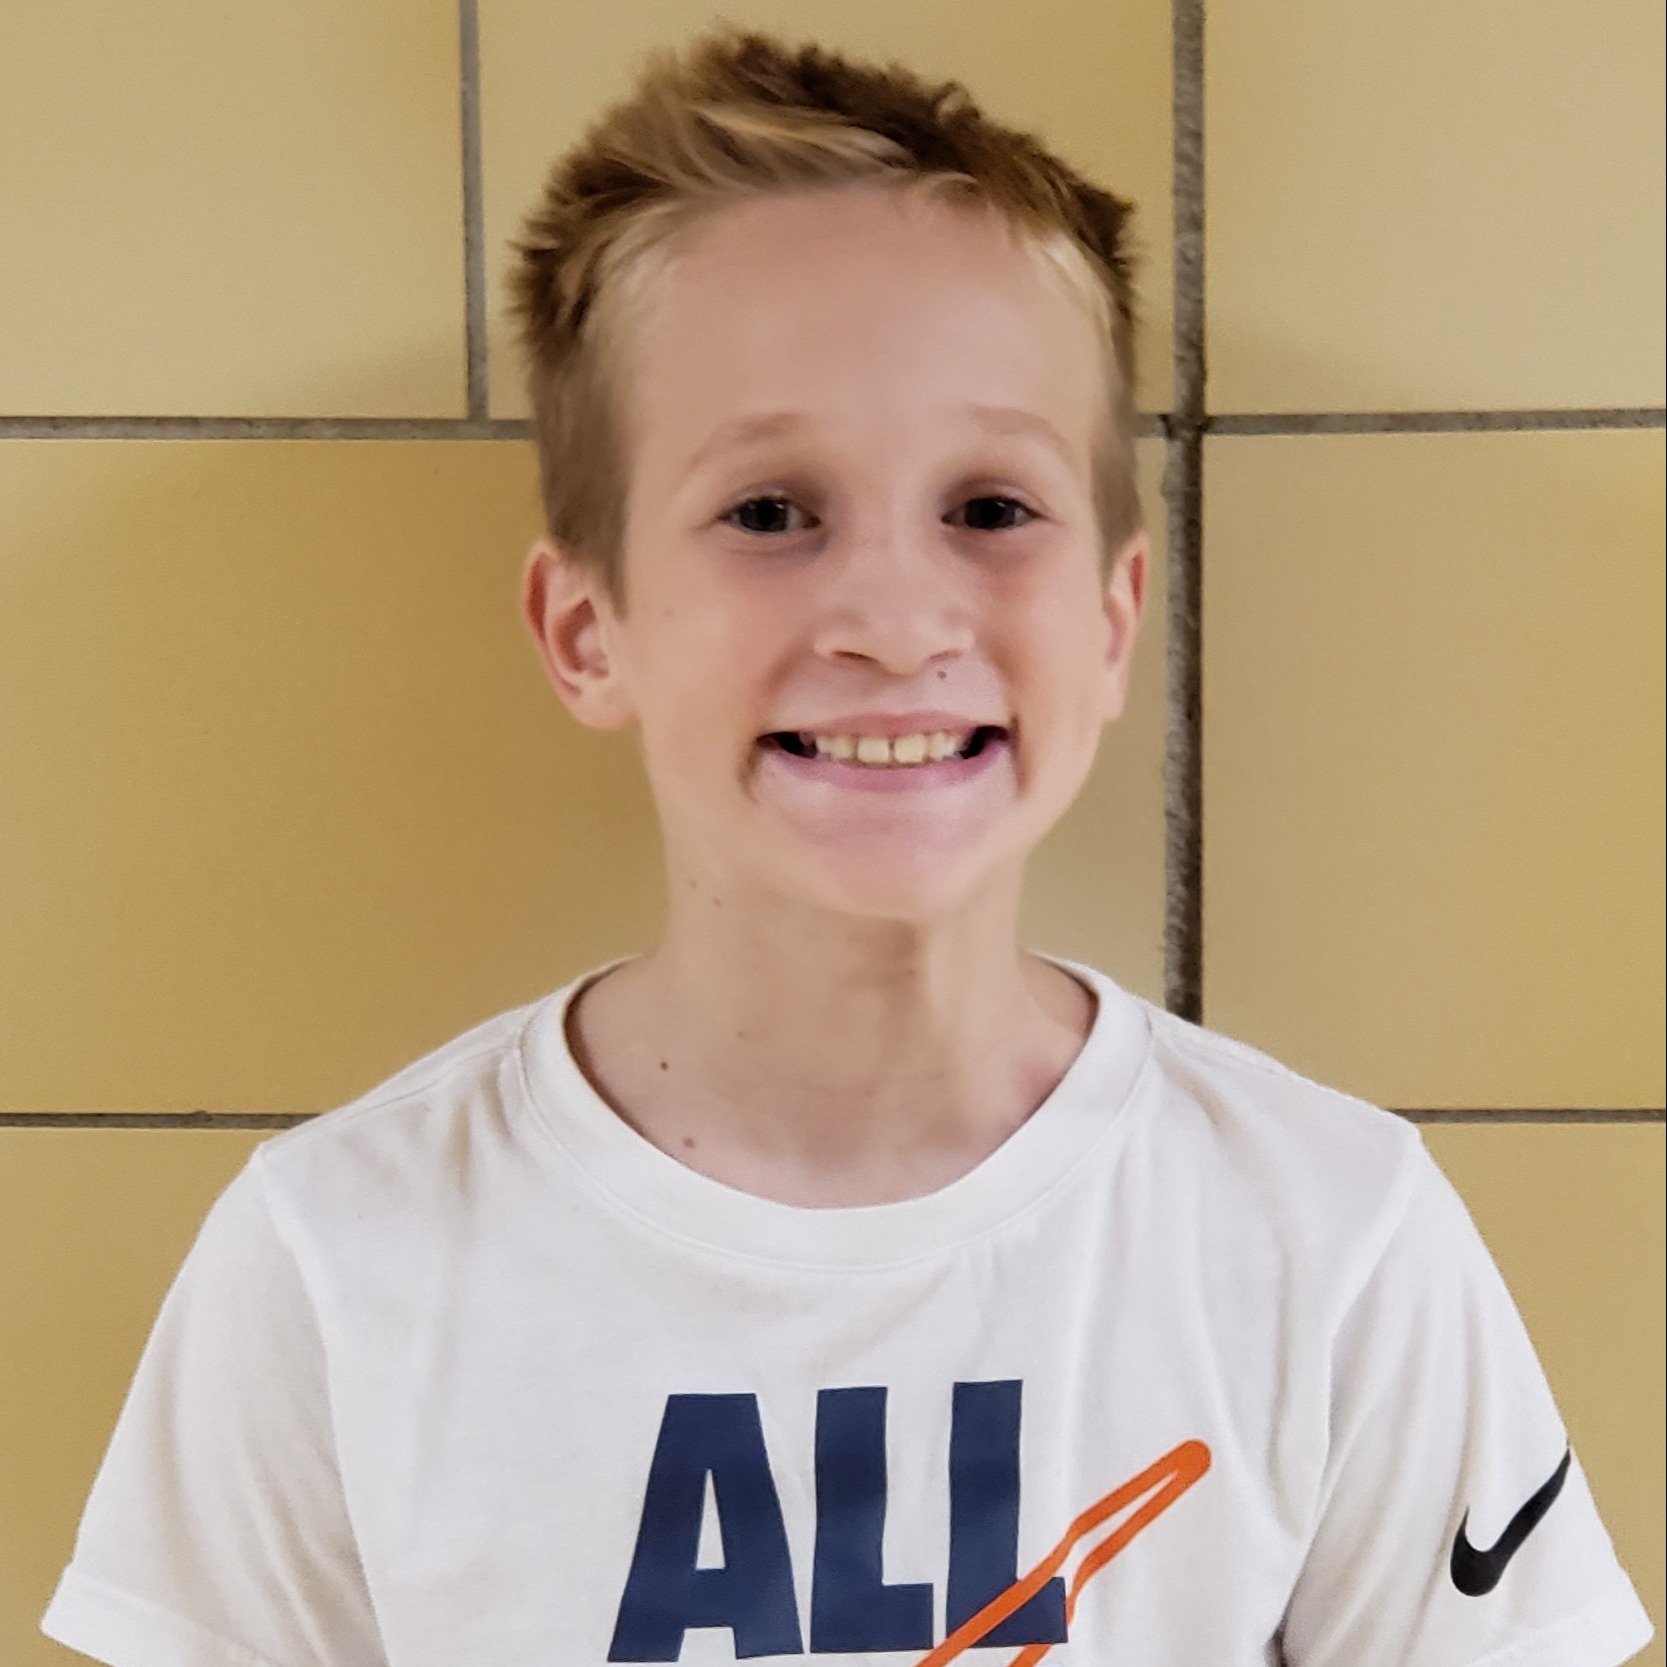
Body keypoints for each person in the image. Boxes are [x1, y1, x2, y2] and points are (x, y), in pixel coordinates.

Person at [41, 26, 1654, 1667]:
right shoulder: (337, 1257)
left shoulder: (1333, 1238)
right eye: (769, 512)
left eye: (991, 506)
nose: (895, 620)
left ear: (1115, 623)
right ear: (586, 627)